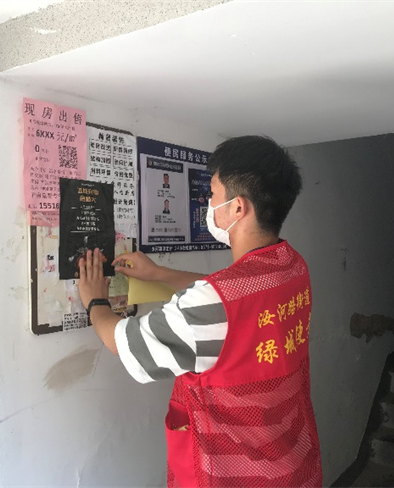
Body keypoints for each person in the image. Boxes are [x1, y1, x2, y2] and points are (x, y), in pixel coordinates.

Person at [78, 135, 322, 487]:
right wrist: (159, 274)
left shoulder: (212, 303)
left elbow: (125, 343)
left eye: (213, 194)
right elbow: (234, 296)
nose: (209, 203)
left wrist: (94, 301)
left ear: (238, 208)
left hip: (234, 475)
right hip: (292, 462)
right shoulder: (293, 267)